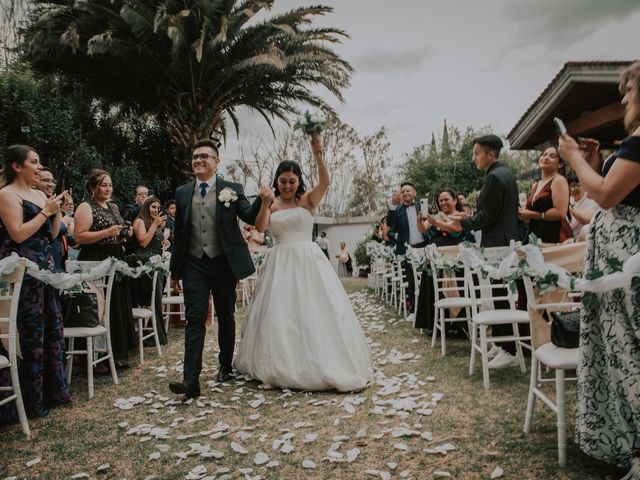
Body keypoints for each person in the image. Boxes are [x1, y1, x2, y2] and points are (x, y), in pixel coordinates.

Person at [234, 133, 373, 392]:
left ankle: (320, 360)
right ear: (277, 181)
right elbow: (261, 228)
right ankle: (280, 363)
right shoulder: (271, 202)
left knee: (317, 309)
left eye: (292, 181)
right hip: (280, 262)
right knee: (280, 314)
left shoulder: (307, 200)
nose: (287, 186)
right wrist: (264, 204)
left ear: (299, 182)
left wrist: (319, 155)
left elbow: (326, 181)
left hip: (308, 262)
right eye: (283, 181)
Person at [558, 61, 640, 477]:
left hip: (628, 267)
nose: (624, 99)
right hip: (617, 264)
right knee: (620, 353)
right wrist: (597, 159)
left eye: (628, 91)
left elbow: (607, 195)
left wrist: (573, 158)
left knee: (631, 355)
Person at [168, 139, 262, 398]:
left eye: (204, 156)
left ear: (216, 162)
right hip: (193, 263)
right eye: (195, 156)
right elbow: (179, 235)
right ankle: (191, 380)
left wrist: (263, 201)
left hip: (223, 262)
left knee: (226, 315)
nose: (198, 160)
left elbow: (249, 216)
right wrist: (174, 273)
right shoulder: (183, 192)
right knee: (195, 318)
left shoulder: (231, 189)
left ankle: (225, 365)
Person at [0, 145, 72, 424]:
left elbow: (51, 235)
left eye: (40, 162)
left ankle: (50, 394)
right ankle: (27, 400)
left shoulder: (39, 194)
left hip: (44, 270)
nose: (40, 167)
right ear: (17, 166)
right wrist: (46, 212)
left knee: (50, 331)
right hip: (21, 273)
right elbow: (17, 234)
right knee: (28, 335)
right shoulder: (6, 195)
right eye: (34, 162)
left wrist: (54, 214)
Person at [447, 135, 521, 369]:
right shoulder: (505, 174)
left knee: (500, 297)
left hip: (498, 245)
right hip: (504, 240)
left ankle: (510, 350)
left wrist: (463, 222)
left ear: (491, 154)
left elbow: (487, 217)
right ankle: (501, 343)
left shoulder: (494, 178)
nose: (474, 158)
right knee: (499, 296)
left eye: (477, 153)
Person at [74, 169, 136, 371]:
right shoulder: (85, 206)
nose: (108, 188)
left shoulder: (113, 206)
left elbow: (117, 231)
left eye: (110, 185)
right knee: (99, 307)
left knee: (116, 304)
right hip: (95, 259)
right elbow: (79, 237)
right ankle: (96, 358)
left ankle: (114, 353)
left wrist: (125, 233)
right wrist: (106, 233)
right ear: (93, 188)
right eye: (103, 185)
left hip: (115, 257)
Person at [387, 182, 430, 314]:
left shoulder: (422, 206)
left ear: (414, 193)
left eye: (408, 191)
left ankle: (428, 310)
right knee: (411, 281)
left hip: (425, 246)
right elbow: (390, 225)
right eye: (403, 192)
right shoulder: (397, 209)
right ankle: (414, 310)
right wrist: (392, 206)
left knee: (427, 280)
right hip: (408, 249)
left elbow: (430, 223)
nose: (405, 193)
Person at [132, 196, 168, 345]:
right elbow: (143, 242)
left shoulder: (154, 224)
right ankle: (154, 335)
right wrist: (155, 225)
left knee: (157, 301)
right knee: (155, 301)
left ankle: (151, 332)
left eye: (158, 208)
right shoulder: (139, 221)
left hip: (157, 267)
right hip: (144, 268)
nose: (156, 210)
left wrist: (164, 243)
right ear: (146, 207)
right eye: (153, 207)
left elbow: (155, 243)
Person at [518, 146, 572, 243]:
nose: (546, 158)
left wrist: (532, 214)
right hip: (535, 235)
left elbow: (560, 213)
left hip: (554, 235)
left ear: (559, 164)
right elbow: (531, 215)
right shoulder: (536, 185)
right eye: (544, 154)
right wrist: (524, 214)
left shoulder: (558, 181)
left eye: (552, 156)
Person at [35, 169, 68, 270]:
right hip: (36, 255)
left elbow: (54, 233)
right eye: (45, 180)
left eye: (52, 181)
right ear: (34, 182)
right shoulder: (32, 206)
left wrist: (58, 208)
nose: (51, 184)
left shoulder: (54, 204)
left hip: (56, 257)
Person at [568, 175, 598, 241]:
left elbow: (586, 220)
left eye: (577, 185)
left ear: (585, 186)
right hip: (570, 238)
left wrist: (569, 207)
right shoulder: (570, 199)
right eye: (571, 186)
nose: (573, 189)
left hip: (585, 239)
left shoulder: (591, 199)